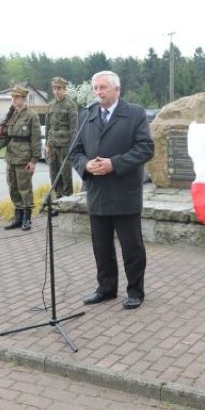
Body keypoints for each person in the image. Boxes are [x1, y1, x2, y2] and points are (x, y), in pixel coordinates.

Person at [70, 71, 155, 310]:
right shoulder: (87, 115)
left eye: (103, 87)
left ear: (117, 90)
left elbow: (145, 149)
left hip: (124, 192)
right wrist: (86, 165)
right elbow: (75, 151)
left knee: (132, 247)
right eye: (96, 88)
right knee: (101, 246)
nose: (98, 92)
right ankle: (106, 289)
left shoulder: (135, 113)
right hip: (97, 192)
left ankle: (135, 291)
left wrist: (113, 164)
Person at [0, 86, 42, 231]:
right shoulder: (11, 115)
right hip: (11, 157)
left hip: (24, 158)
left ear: (24, 99)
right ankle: (18, 216)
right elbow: (6, 136)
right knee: (13, 187)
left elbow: (36, 140)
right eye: (12, 97)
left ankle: (27, 217)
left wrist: (33, 161)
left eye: (17, 97)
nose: (14, 99)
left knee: (25, 188)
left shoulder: (31, 116)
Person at [46, 76, 80, 212]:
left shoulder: (71, 106)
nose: (56, 91)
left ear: (65, 90)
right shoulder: (51, 105)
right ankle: (58, 201)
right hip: (53, 145)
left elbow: (74, 129)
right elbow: (48, 127)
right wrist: (48, 145)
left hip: (65, 146)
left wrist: (73, 146)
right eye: (54, 89)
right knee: (54, 174)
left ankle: (67, 202)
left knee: (65, 175)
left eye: (59, 89)